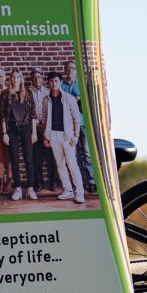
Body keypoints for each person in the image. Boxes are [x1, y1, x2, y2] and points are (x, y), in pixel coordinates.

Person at [41, 72, 86, 205]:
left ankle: (79, 193)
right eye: (51, 81)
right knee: (60, 165)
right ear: (48, 83)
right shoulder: (46, 100)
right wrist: (45, 137)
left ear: (60, 82)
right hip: (53, 135)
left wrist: (76, 135)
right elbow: (44, 119)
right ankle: (68, 190)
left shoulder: (69, 98)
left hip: (68, 136)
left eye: (56, 81)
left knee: (72, 164)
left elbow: (77, 118)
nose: (53, 84)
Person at [0, 70, 37, 202]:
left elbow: (33, 114)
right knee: (14, 160)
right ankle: (18, 189)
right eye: (13, 77)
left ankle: (30, 189)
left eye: (18, 77)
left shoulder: (28, 93)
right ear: (10, 79)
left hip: (26, 127)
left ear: (21, 79)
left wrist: (34, 132)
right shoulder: (5, 94)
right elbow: (3, 115)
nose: (15, 79)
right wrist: (4, 133)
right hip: (12, 128)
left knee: (29, 159)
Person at [61, 60, 96, 193]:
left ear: (76, 71)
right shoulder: (61, 86)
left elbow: (88, 102)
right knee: (73, 157)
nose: (71, 70)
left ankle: (91, 182)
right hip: (68, 127)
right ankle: (79, 183)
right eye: (68, 68)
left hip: (83, 125)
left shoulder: (81, 85)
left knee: (87, 154)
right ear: (65, 70)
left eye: (73, 68)